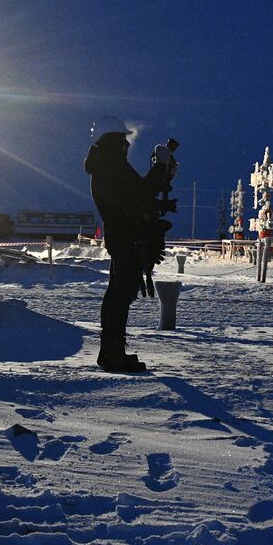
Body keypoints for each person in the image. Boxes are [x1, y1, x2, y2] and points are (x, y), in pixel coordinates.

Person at [83, 116, 175, 373]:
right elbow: (140, 191)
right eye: (122, 139)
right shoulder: (111, 166)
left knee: (120, 294)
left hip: (124, 236)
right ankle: (112, 354)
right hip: (126, 238)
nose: (126, 144)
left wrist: (158, 205)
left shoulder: (107, 166)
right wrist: (160, 167)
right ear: (111, 140)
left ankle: (113, 351)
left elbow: (132, 197)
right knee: (120, 295)